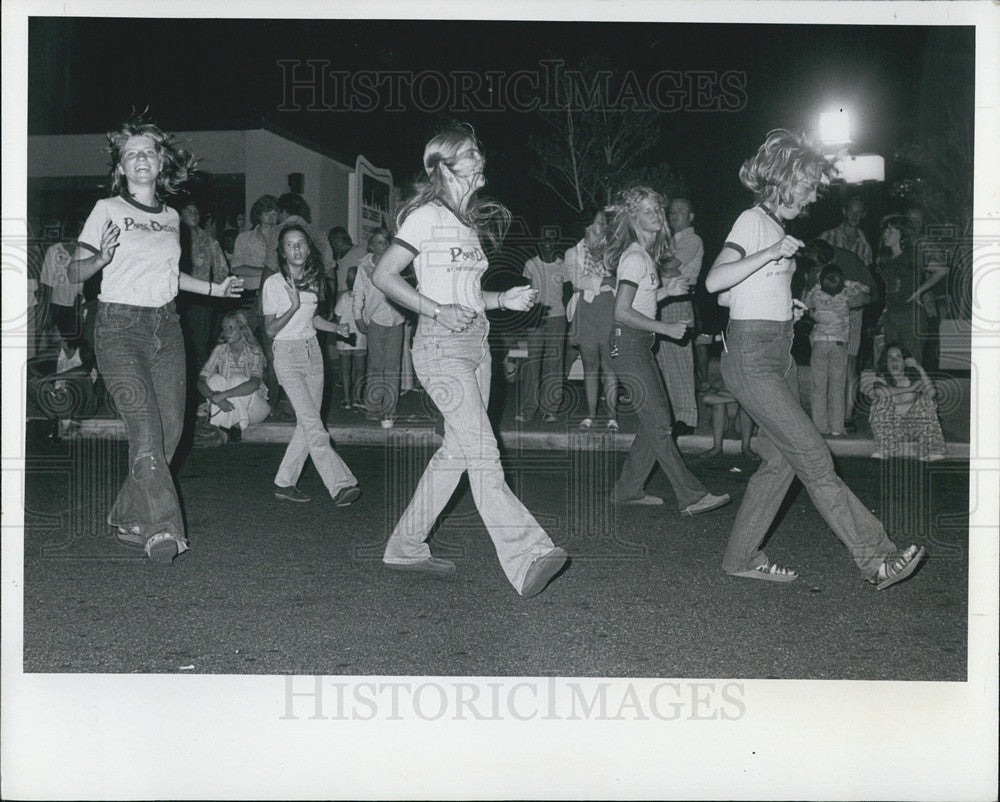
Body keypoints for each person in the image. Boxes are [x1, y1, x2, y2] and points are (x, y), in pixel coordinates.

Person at [704, 128, 925, 590]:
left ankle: (740, 555)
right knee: (813, 455)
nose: (809, 199)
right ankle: (877, 558)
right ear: (784, 180)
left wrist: (783, 304)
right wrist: (769, 255)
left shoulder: (774, 228)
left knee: (784, 460)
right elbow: (714, 282)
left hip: (774, 347)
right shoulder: (754, 223)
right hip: (751, 356)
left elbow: (731, 297)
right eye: (805, 187)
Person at [371, 124, 568, 598]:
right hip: (439, 347)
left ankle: (404, 545)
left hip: (477, 344)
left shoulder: (466, 222)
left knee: (457, 453)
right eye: (469, 153)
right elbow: (383, 275)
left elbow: (464, 294)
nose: (480, 158)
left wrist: (504, 299)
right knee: (483, 452)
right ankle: (527, 556)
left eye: (479, 151)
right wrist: (435, 310)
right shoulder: (425, 216)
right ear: (443, 165)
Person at [68, 117, 244, 563]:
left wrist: (213, 289)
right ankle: (162, 530)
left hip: (166, 328)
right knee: (145, 429)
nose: (140, 159)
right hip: (118, 329)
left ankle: (126, 514)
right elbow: (72, 272)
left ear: (160, 161)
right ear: (122, 168)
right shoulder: (107, 209)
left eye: (148, 151)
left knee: (171, 432)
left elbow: (170, 275)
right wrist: (100, 258)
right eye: (132, 154)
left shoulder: (169, 218)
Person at [604, 186, 731, 515]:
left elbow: (642, 301)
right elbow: (621, 311)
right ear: (633, 218)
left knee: (655, 421)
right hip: (629, 344)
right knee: (661, 422)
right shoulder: (634, 257)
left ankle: (627, 490)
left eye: (657, 210)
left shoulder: (645, 256)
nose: (656, 216)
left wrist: (667, 292)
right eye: (647, 211)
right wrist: (666, 328)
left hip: (639, 344)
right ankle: (691, 496)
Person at [262, 224, 360, 506]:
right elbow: (270, 330)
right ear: (282, 252)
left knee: (307, 424)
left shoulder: (315, 279)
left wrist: (336, 327)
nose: (297, 249)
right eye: (291, 244)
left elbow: (312, 319)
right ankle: (341, 484)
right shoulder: (274, 284)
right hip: (287, 355)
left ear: (309, 248)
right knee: (314, 425)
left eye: (301, 243)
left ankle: (284, 482)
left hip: (312, 352)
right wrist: (291, 306)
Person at [564, 207, 618, 430]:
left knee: (610, 364)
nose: (603, 225)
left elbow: (619, 278)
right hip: (585, 309)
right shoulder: (572, 253)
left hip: (609, 308)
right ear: (587, 226)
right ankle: (591, 414)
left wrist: (605, 280)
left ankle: (613, 417)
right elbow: (578, 281)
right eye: (599, 221)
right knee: (590, 365)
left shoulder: (614, 251)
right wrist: (605, 281)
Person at [802, 264, 867, 436]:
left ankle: (820, 427)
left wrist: (817, 284)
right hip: (839, 344)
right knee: (838, 386)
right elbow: (864, 288)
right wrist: (848, 283)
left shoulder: (815, 294)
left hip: (819, 344)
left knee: (819, 387)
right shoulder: (846, 293)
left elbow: (805, 304)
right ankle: (838, 427)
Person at [656, 197, 702, 437]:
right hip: (663, 299)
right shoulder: (666, 239)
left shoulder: (692, 239)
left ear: (691, 216)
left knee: (681, 363)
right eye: (672, 211)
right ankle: (672, 416)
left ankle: (686, 418)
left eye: (681, 211)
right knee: (663, 362)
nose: (675, 215)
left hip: (678, 302)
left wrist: (659, 264)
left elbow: (669, 265)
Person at [877, 214, 948, 366]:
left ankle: (916, 389)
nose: (886, 234)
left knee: (912, 362)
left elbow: (942, 270)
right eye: (885, 231)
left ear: (902, 233)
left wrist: (919, 292)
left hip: (911, 315)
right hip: (891, 315)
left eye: (891, 231)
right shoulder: (885, 259)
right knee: (892, 363)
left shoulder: (913, 254)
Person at [353, 226, 405, 427]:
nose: (384, 246)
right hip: (376, 319)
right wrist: (357, 316)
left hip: (396, 318)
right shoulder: (364, 267)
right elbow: (359, 292)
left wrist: (408, 310)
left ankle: (389, 410)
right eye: (380, 242)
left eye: (387, 242)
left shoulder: (397, 264)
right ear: (371, 245)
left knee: (393, 366)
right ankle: (373, 406)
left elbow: (405, 289)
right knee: (376, 365)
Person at [515, 228, 568, 423]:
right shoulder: (531, 264)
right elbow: (525, 292)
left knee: (554, 362)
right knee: (532, 362)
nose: (548, 243)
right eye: (544, 239)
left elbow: (569, 293)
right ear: (539, 242)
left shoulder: (563, 266)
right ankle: (528, 409)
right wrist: (525, 317)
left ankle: (550, 408)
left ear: (557, 242)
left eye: (552, 239)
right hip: (535, 318)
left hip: (557, 317)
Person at [861, 344, 946, 461]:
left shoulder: (913, 378)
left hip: (913, 428)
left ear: (905, 362)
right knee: (880, 401)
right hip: (891, 430)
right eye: (890, 357)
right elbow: (879, 392)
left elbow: (932, 393)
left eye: (898, 357)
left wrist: (920, 368)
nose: (894, 361)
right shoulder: (881, 379)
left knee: (927, 401)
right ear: (886, 362)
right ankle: (883, 449)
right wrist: (910, 389)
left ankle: (930, 450)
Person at [196, 309, 270, 440]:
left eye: (231, 328)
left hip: (254, 408)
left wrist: (222, 396)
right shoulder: (220, 350)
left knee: (237, 380)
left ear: (242, 329)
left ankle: (221, 427)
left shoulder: (254, 351)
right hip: (225, 404)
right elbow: (201, 381)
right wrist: (213, 396)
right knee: (215, 379)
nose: (227, 332)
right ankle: (227, 431)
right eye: (224, 328)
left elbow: (254, 384)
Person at [178, 198, 230, 379]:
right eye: (189, 211)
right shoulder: (171, 237)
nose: (193, 215)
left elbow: (221, 271)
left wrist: (215, 295)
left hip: (200, 301)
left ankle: (204, 394)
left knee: (200, 347)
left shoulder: (208, 240)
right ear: (180, 214)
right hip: (173, 299)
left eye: (196, 212)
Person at [39, 217, 94, 371]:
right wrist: (46, 314)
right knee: (59, 349)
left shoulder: (83, 252)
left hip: (78, 308)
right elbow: (46, 285)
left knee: (77, 350)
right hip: (56, 307)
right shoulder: (54, 250)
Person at [333, 265, 367, 410]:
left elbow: (337, 316)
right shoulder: (365, 298)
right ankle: (357, 398)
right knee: (360, 369)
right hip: (360, 336)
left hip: (344, 335)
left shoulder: (344, 297)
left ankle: (346, 399)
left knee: (345, 368)